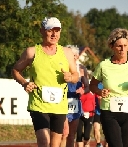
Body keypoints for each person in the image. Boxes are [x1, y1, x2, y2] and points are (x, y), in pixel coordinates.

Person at [11, 17, 79, 147]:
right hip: (38, 104)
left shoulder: (67, 52)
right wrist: (24, 83)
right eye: (50, 30)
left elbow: (76, 75)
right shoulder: (31, 52)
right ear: (42, 31)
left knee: (55, 144)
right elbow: (15, 70)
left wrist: (70, 78)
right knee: (44, 141)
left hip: (59, 106)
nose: (54, 34)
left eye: (57, 31)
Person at [90, 28, 128, 147]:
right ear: (112, 46)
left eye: (125, 45)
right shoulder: (104, 65)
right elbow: (92, 85)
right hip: (109, 112)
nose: (122, 49)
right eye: (119, 46)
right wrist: (99, 91)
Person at [60, 46, 89, 147]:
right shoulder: (62, 68)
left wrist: (83, 90)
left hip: (75, 103)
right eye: (73, 55)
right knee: (64, 133)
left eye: (76, 55)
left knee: (72, 134)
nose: (75, 57)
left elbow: (88, 87)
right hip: (63, 102)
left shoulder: (81, 69)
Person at [93, 83, 108, 147]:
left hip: (107, 110)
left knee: (108, 130)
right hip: (97, 111)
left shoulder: (109, 84)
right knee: (96, 128)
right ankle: (98, 144)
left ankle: (107, 144)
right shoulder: (96, 85)